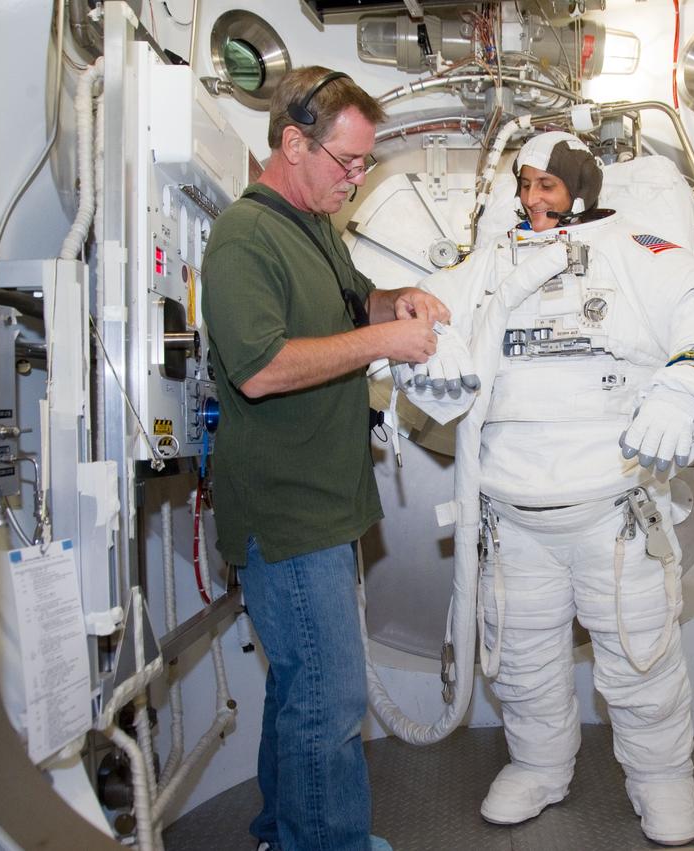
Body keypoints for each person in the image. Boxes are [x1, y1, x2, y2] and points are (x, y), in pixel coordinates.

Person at [407, 132, 694, 846]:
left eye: (546, 187)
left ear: (580, 188)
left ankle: (661, 781)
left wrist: (686, 384)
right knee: (522, 664)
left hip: (612, 510)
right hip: (514, 513)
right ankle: (539, 764)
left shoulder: (636, 251)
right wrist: (427, 353)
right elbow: (424, 312)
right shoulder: (493, 262)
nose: (530, 199)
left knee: (639, 661)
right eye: (524, 185)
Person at [201, 66, 449, 851]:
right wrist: (384, 341)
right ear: (292, 142)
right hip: (287, 511)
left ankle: (282, 830)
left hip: (327, 503)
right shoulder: (245, 234)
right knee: (332, 700)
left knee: (298, 687)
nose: (355, 179)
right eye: (346, 162)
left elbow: (355, 301)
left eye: (364, 164)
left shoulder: (313, 226)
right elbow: (259, 367)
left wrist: (398, 300)